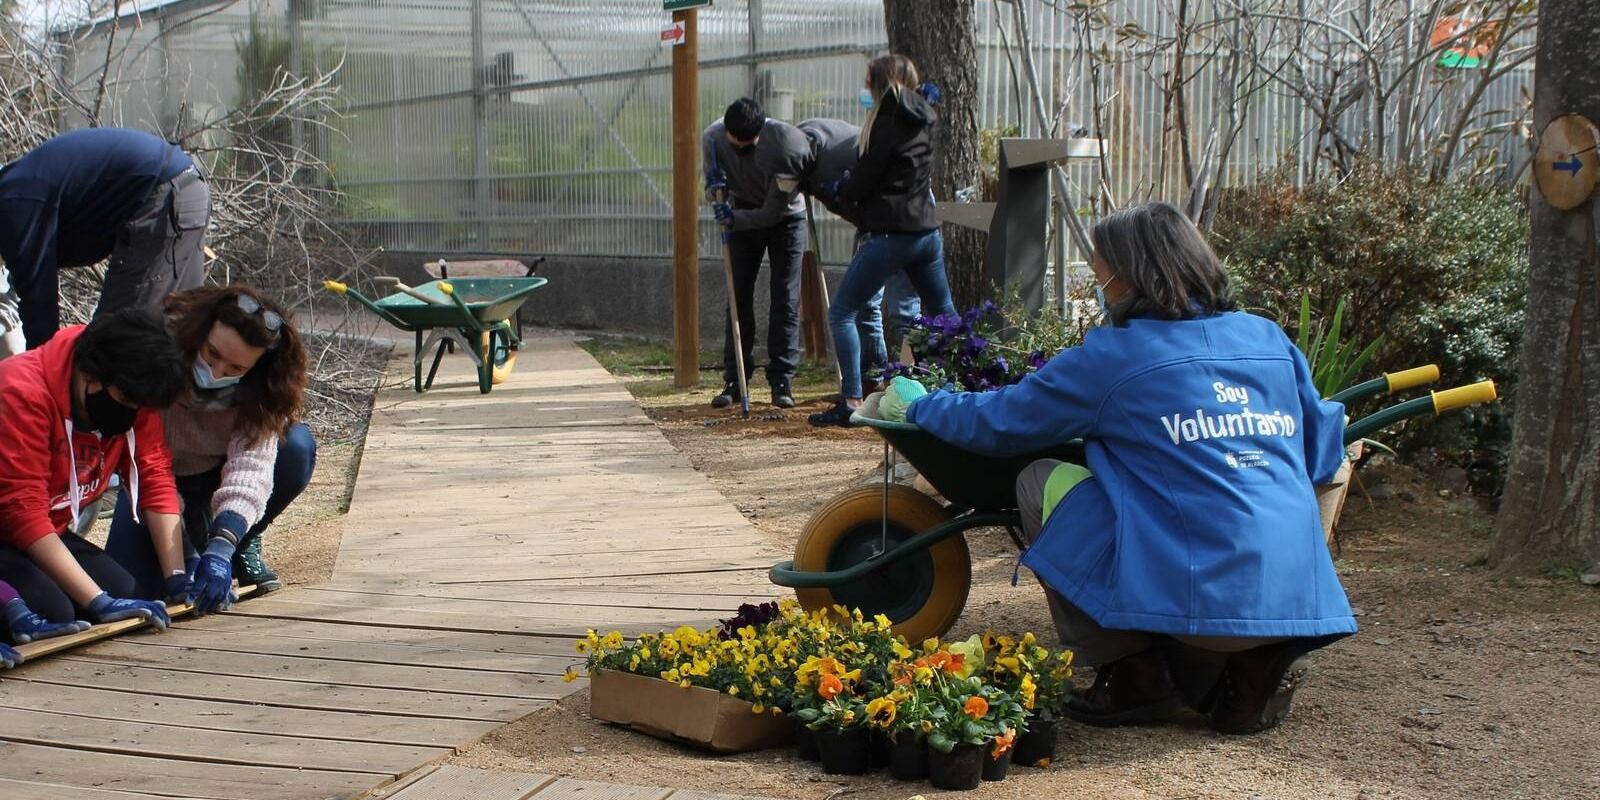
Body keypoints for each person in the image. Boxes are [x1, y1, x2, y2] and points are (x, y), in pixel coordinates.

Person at [896, 203, 1356, 734]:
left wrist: (917, 404)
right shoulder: (1269, 339)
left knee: (1038, 480)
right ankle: (1254, 665)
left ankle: (1139, 674)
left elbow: (1000, 421)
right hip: (1296, 600)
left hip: (1198, 599)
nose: (1099, 289)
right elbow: (1324, 454)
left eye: (1100, 276)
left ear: (1134, 277)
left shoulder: (1114, 356)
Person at [107, 287, 312, 604]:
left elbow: (251, 470)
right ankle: (198, 544)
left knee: (296, 446)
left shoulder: (264, 389)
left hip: (218, 475)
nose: (217, 373)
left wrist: (222, 543)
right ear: (200, 334)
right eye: (212, 354)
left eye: (236, 369)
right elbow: (145, 467)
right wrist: (183, 556)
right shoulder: (159, 355)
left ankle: (241, 540)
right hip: (154, 481)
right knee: (130, 589)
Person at [0, 307, 188, 633]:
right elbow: (22, 511)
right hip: (9, 527)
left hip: (48, 529)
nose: (135, 414)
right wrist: (97, 601)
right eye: (128, 402)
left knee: (129, 595)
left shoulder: (131, 388)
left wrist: (178, 578)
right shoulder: (19, 390)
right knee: (56, 609)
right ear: (91, 375)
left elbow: (154, 475)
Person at [809, 55, 958, 427]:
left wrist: (841, 190)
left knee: (843, 311)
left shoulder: (886, 122)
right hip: (926, 231)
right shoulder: (924, 117)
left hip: (890, 234)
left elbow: (867, 176)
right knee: (945, 315)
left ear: (880, 83)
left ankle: (851, 400)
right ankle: (959, 385)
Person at [0, 128, 211, 351]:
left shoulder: (13, 206)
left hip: (164, 196)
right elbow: (28, 281)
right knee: (177, 335)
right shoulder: (16, 188)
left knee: (112, 346)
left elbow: (39, 308)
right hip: (183, 188)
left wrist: (38, 370)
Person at [701, 98, 812, 409]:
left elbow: (773, 212)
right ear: (726, 132)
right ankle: (735, 379)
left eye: (751, 146)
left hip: (785, 217)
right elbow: (711, 186)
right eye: (738, 146)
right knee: (737, 295)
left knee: (785, 298)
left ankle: (782, 380)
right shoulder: (712, 138)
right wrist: (713, 189)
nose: (744, 152)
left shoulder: (784, 142)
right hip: (741, 213)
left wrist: (734, 219)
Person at [796, 117, 921, 382]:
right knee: (866, 303)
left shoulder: (832, 161)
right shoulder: (806, 143)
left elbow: (851, 199)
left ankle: (917, 382)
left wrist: (825, 192)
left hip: (904, 219)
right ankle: (873, 378)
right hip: (874, 223)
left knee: (903, 310)